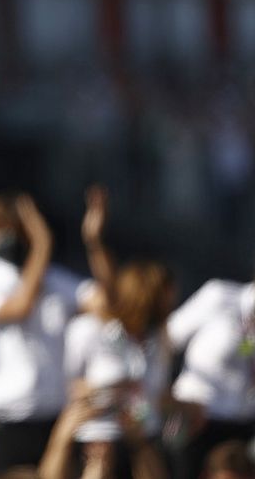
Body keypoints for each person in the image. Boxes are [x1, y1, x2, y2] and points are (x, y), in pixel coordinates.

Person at [0, 191, 97, 477]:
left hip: (53, 416)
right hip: (4, 419)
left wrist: (95, 243)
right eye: (5, 230)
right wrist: (42, 243)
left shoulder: (55, 279)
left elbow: (107, 304)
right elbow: (19, 307)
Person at [64, 187, 174, 479]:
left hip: (142, 441)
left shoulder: (156, 337)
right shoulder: (91, 329)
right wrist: (94, 240)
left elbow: (158, 394)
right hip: (98, 441)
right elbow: (70, 386)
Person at [166, 274, 255, 479]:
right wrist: (168, 400)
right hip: (193, 420)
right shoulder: (219, 296)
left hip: (241, 430)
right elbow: (166, 341)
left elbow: (247, 352)